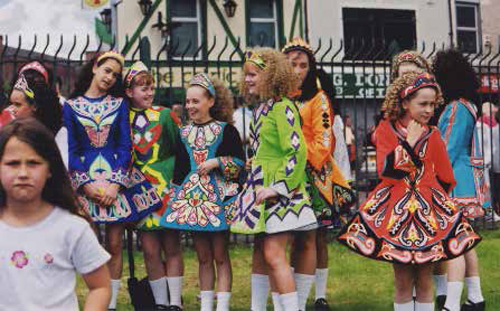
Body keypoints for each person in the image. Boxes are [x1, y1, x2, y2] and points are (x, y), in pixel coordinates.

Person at [337, 72, 482, 311]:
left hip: (427, 212)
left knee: (425, 279)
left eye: (433, 104)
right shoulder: (385, 129)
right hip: (396, 212)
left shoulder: (433, 134)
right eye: (422, 104)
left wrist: (439, 204)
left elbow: (445, 175)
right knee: (403, 279)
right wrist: (410, 144)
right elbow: (387, 171)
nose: (428, 110)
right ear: (405, 102)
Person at [64, 51, 162, 310]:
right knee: (89, 245)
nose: (110, 77)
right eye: (107, 70)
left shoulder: (119, 104)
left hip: (115, 184)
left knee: (116, 244)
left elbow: (125, 145)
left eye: (115, 75)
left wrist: (114, 185)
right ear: (95, 67)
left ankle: (111, 305)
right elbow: (71, 150)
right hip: (85, 184)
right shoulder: (71, 106)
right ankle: (95, 299)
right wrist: (86, 185)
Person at [231, 48, 317, 311]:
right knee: (261, 253)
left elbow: (296, 150)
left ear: (270, 76)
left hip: (279, 190)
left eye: (253, 75)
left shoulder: (282, 107)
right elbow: (270, 149)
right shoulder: (262, 109)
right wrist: (255, 161)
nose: (247, 80)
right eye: (246, 75)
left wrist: (279, 187)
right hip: (261, 186)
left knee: (273, 253)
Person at [0, 118, 111, 310]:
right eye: (13, 163)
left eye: (33, 163)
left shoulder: (71, 228)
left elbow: (100, 287)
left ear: (50, 169)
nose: (23, 173)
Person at [161, 73, 245, 311]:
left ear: (210, 101)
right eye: (187, 102)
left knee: (220, 255)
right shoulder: (183, 132)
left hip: (218, 201)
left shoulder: (226, 130)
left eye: (195, 101)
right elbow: (179, 170)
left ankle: (222, 307)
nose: (190, 107)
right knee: (203, 257)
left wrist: (216, 162)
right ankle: (207, 307)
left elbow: (240, 163)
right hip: (193, 202)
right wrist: (176, 200)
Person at [283, 38, 355, 311]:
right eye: (293, 64)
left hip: (314, 177)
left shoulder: (318, 98)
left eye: (304, 65)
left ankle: (319, 295)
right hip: (287, 177)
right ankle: (292, 295)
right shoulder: (279, 100)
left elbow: (325, 142)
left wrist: (299, 164)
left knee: (315, 238)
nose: (299, 69)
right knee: (289, 237)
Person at [125, 61, 184, 310]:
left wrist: (176, 182)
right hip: (140, 192)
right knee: (149, 249)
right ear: (129, 92)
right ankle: (159, 303)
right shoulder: (121, 118)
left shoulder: (165, 115)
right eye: (142, 88)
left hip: (166, 190)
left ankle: (175, 302)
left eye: (151, 87)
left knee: (171, 245)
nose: (148, 92)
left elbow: (179, 149)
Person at [434, 49, 490, 311]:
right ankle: (475, 297)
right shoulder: (468, 105)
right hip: (466, 179)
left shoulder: (455, 107)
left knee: (454, 243)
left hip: (454, 182)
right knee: (465, 242)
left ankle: (453, 304)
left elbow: (447, 148)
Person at [7, 61, 62, 134]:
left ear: (35, 105)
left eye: (18, 104)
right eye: (11, 103)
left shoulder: (56, 133)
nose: (11, 110)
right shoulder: (6, 124)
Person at [477, 102, 500, 217]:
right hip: (484, 161)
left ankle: (491, 212)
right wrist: (484, 160)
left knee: (490, 186)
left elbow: (495, 146)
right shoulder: (481, 125)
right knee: (486, 186)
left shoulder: (494, 123)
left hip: (491, 161)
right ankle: (488, 214)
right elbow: (481, 145)